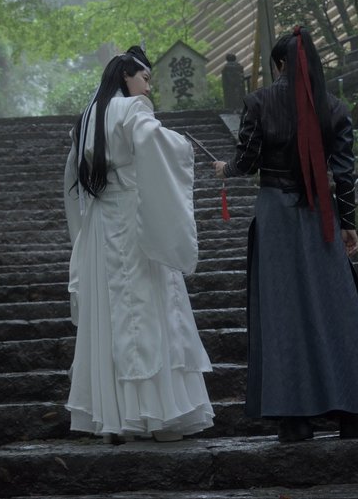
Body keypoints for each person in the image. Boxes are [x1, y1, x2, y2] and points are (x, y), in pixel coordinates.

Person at [214, 27, 358, 443]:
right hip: (321, 217)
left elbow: (247, 161)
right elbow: (345, 174)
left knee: (283, 311)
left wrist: (226, 169)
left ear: (280, 64)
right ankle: (353, 413)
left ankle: (295, 419)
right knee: (336, 307)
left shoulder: (259, 102)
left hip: (276, 217)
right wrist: (348, 224)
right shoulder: (333, 108)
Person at [63, 46, 215, 442]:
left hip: (100, 226)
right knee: (149, 310)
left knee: (109, 316)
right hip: (132, 220)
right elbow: (152, 142)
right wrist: (183, 145)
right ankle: (157, 414)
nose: (148, 88)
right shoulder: (131, 110)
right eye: (145, 79)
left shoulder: (86, 117)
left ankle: (113, 416)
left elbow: (72, 175)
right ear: (126, 77)